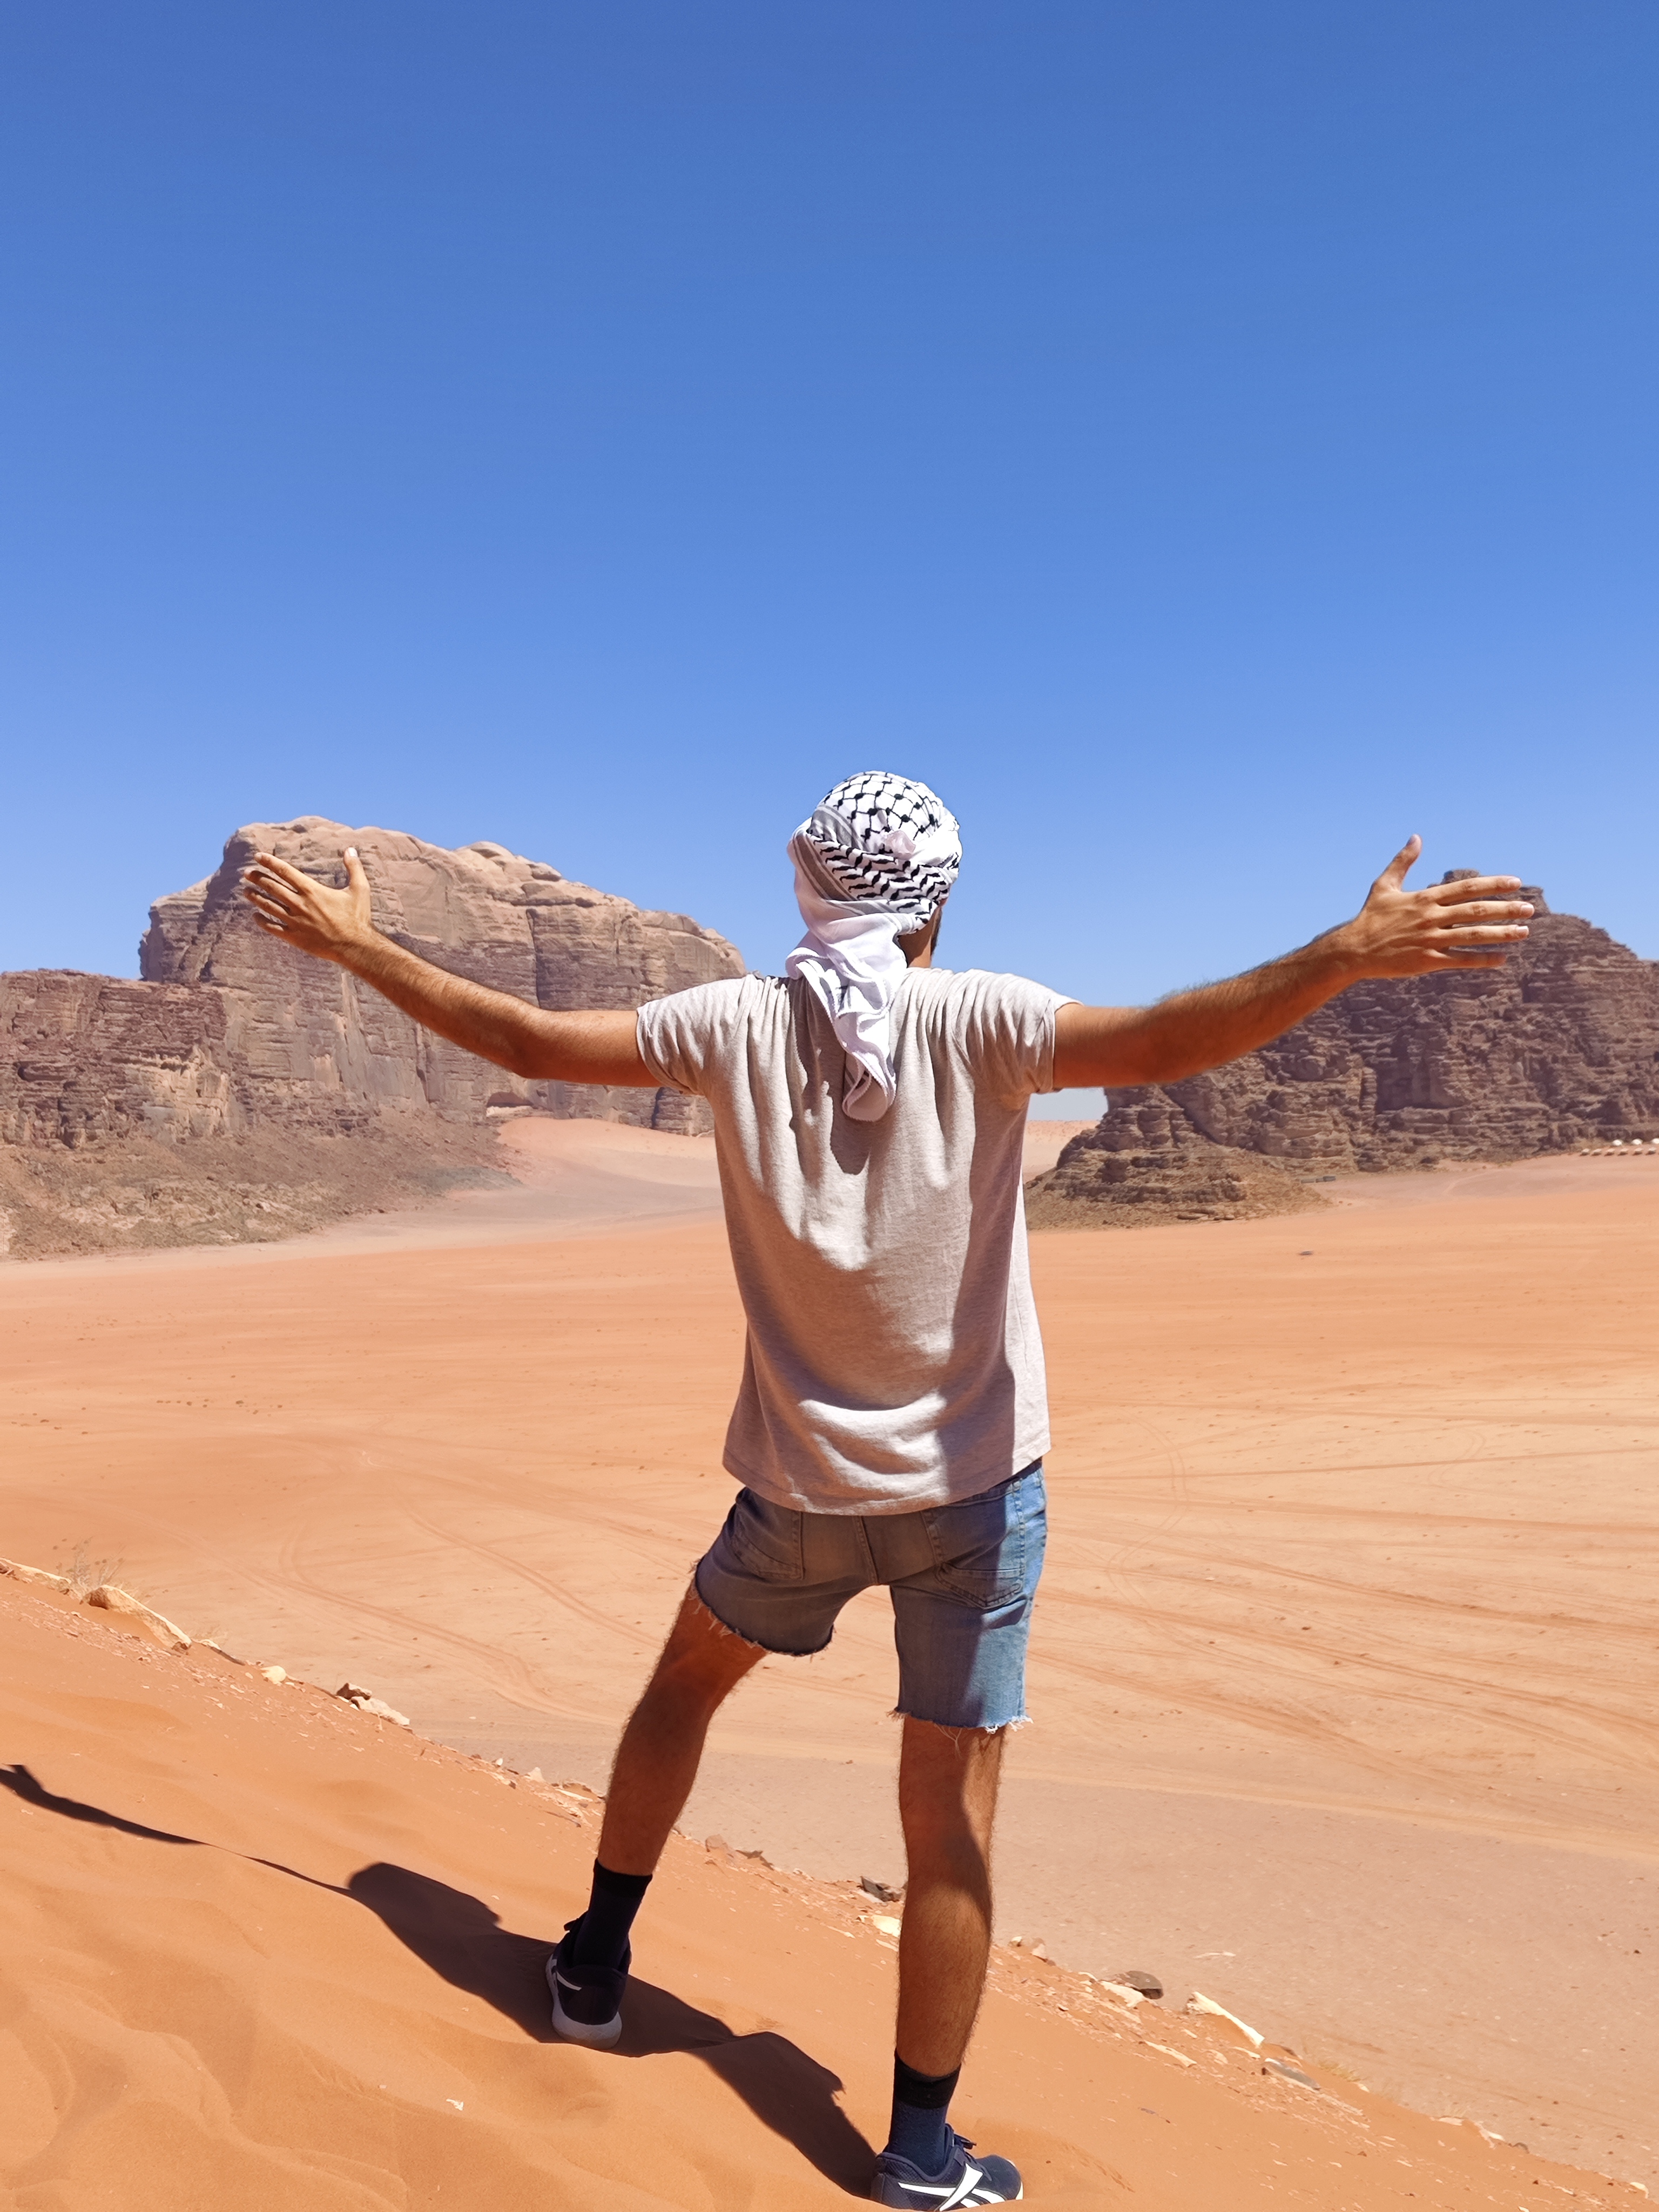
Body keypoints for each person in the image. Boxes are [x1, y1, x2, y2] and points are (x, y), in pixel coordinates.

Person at [242, 773, 1530, 2207]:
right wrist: (1338, 954)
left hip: (798, 1492)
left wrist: (356, 951)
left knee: (684, 1687)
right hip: (977, 1498)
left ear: (812, 887)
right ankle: (919, 2151)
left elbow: (529, 1036)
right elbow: (1169, 1041)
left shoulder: (730, 1025)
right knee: (951, 1822)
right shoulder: (978, 1018)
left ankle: (593, 1962)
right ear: (938, 899)